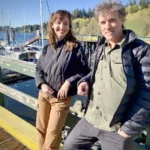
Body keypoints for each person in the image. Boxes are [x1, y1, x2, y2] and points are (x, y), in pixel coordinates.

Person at [64, 1, 150, 150]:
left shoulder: (141, 50)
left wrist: (127, 129)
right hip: (91, 119)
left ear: (122, 20)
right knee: (70, 145)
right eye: (103, 22)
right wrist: (85, 81)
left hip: (116, 127)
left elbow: (147, 92)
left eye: (112, 20)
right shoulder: (100, 47)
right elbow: (95, 73)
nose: (107, 26)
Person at [35, 10, 89, 150]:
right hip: (44, 96)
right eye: (58, 23)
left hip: (61, 98)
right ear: (52, 25)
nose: (62, 27)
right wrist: (42, 85)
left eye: (66, 23)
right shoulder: (47, 48)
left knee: (52, 134)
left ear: (69, 26)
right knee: (41, 129)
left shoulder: (75, 47)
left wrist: (68, 82)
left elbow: (84, 71)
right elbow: (39, 70)